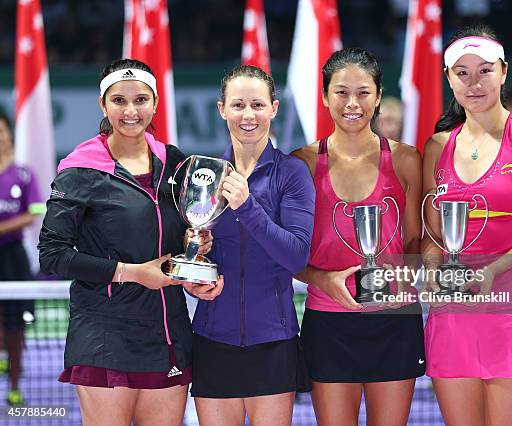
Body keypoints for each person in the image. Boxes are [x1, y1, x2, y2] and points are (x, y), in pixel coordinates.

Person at [38, 58, 222, 426]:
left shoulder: (175, 163)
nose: (130, 111)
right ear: (103, 105)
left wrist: (197, 244)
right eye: (119, 100)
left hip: (168, 336)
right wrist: (133, 273)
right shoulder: (80, 170)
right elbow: (52, 254)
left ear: (154, 103)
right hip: (104, 338)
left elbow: (184, 235)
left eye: (140, 100)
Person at [421, 24, 512, 425]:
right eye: (462, 73)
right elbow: (433, 236)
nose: (474, 82)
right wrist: (434, 273)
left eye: (484, 70)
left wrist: (492, 270)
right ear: (449, 79)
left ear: (503, 72)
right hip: (453, 316)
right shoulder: (437, 146)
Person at [292, 47, 425, 425]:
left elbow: (414, 242)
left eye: (363, 92)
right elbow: (290, 253)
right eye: (341, 92)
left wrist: (413, 270)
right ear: (324, 97)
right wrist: (323, 280)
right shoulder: (300, 162)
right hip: (328, 324)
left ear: (379, 96)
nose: (352, 103)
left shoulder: (406, 159)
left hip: (395, 321)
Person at [190, 65, 315, 426]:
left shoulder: (291, 173)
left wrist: (247, 206)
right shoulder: (205, 174)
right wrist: (195, 259)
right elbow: (199, 252)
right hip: (212, 340)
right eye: (239, 105)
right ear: (222, 109)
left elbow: (295, 256)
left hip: (273, 342)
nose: (248, 115)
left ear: (274, 109)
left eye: (258, 105)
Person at [0, 111, 44, 406]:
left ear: (10, 134)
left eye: (2, 131)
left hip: (13, 257)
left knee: (17, 325)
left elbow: (37, 210)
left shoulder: (24, 174)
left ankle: (15, 385)